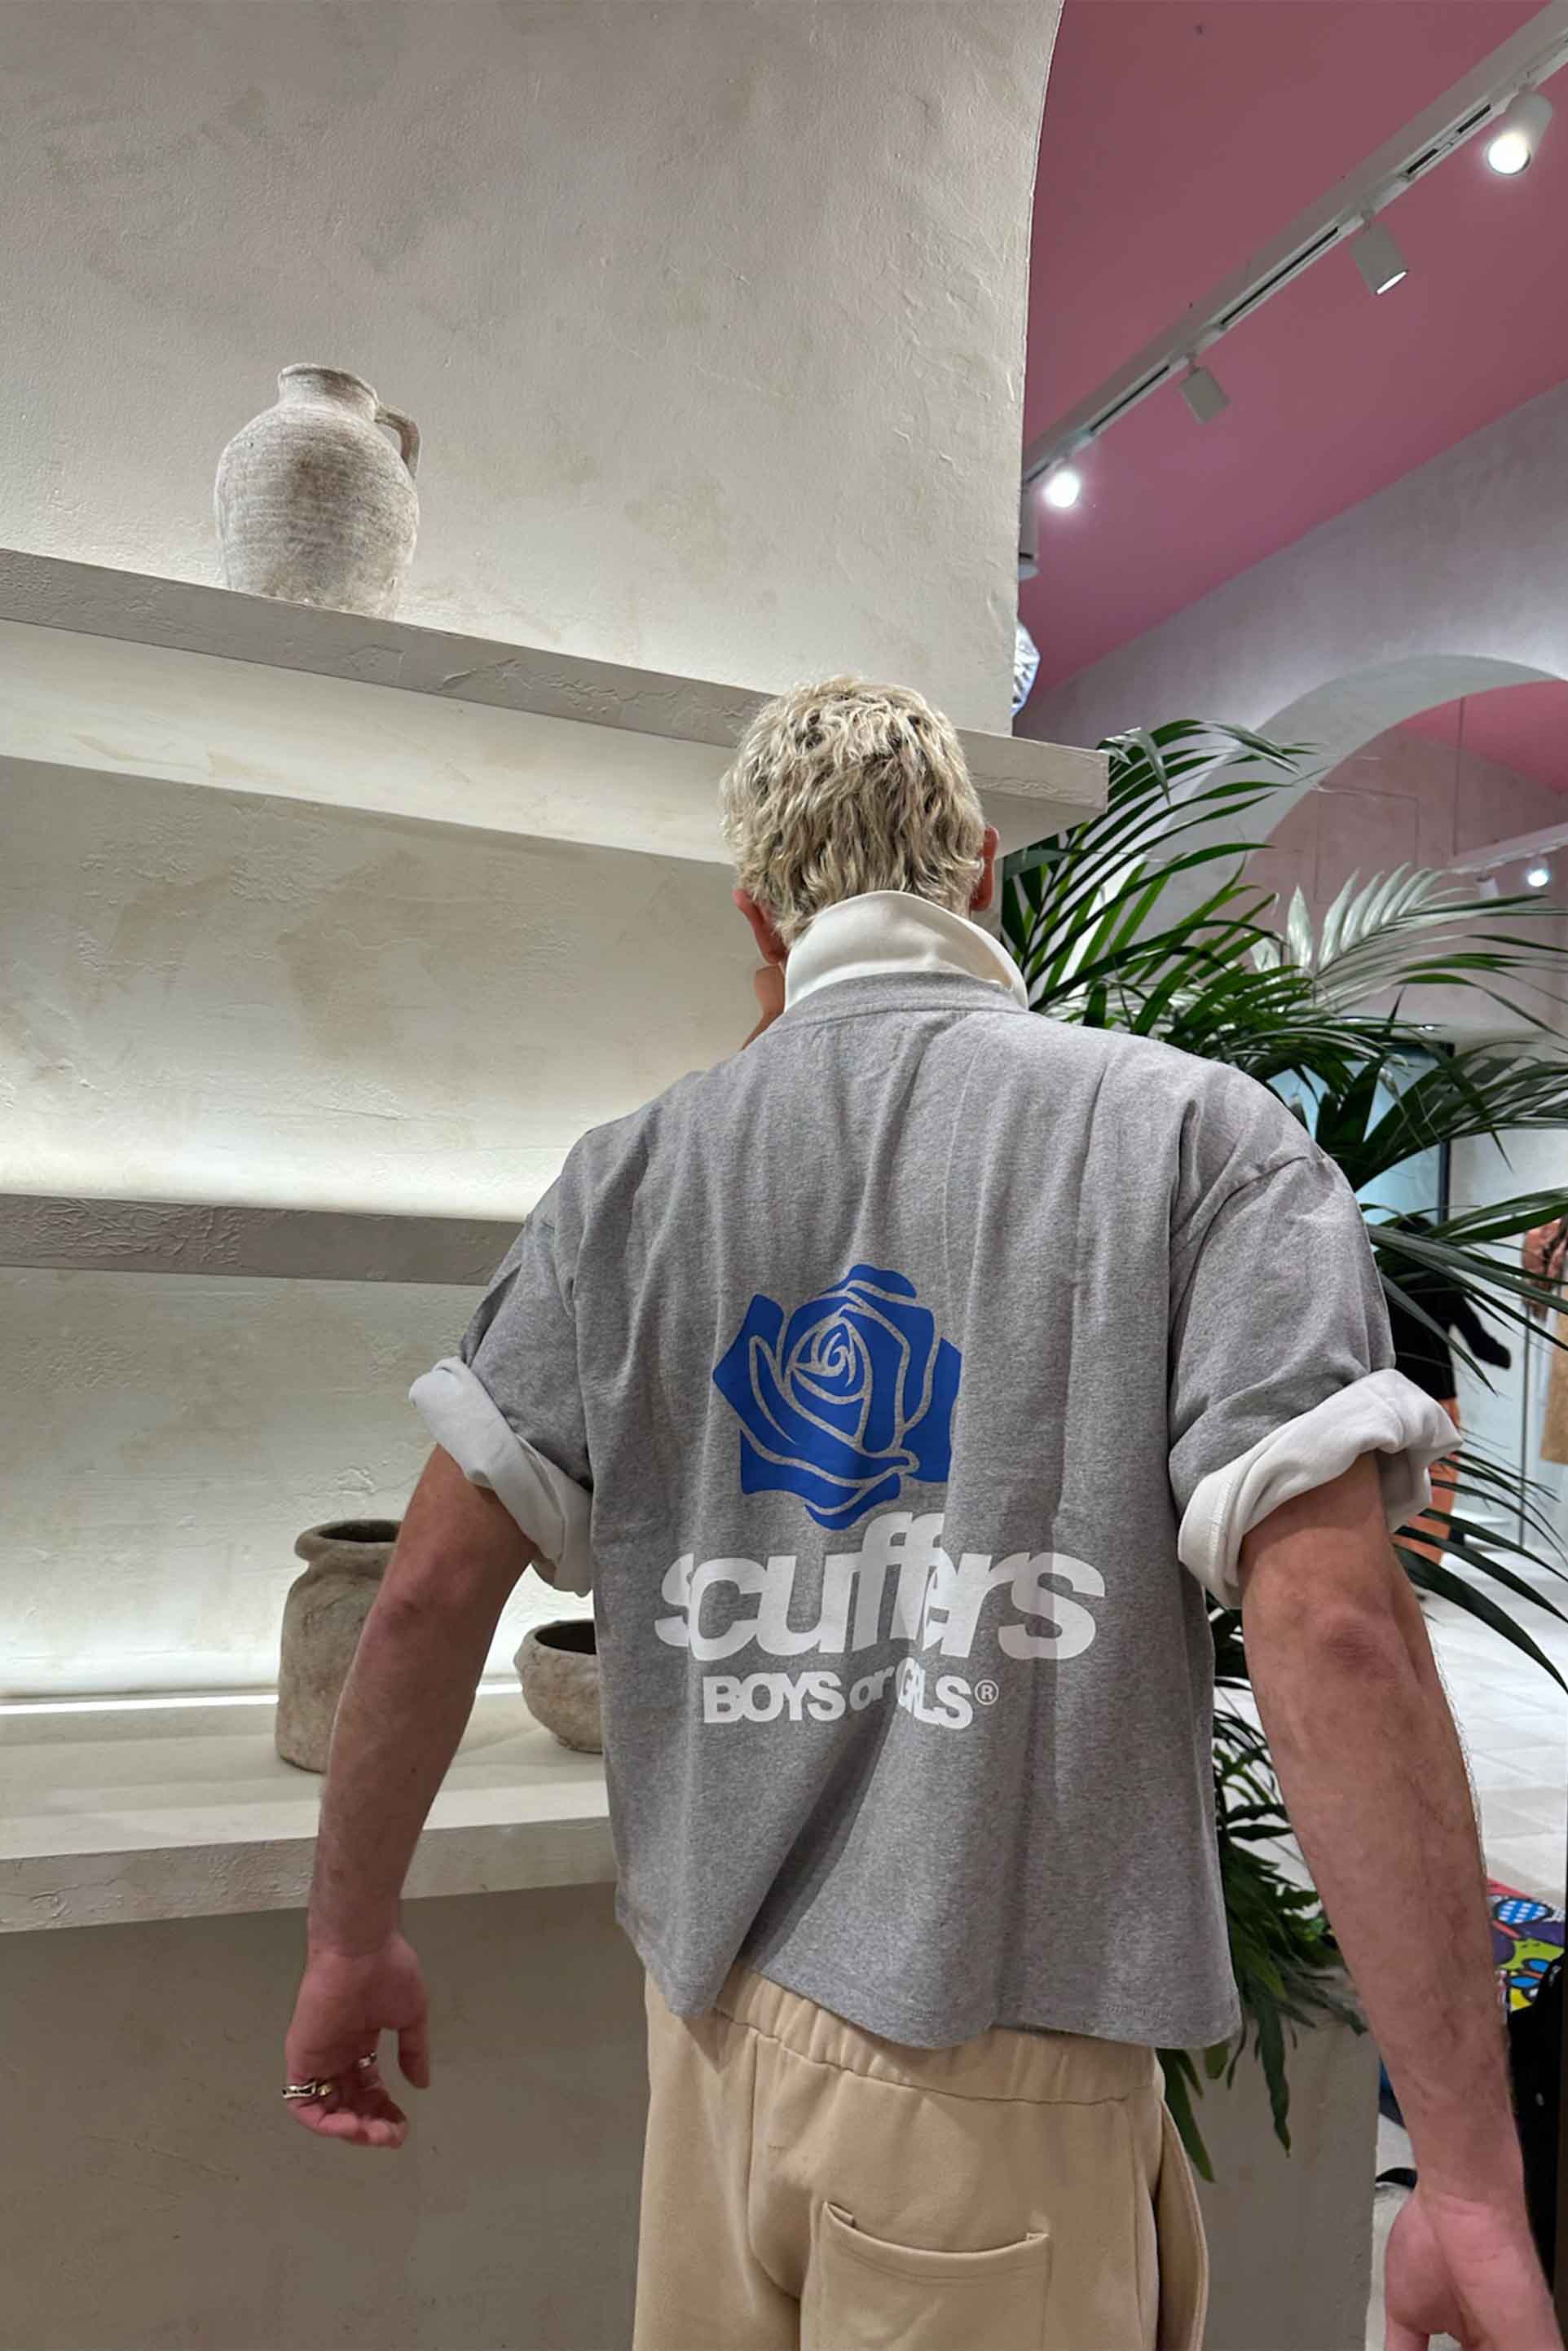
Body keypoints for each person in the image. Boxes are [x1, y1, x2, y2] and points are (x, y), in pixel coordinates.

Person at [283, 678, 1562, 2351]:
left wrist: (348, 1935)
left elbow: (421, 1594)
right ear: (978, 871)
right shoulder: (1191, 1140)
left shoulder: (624, 1180)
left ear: (758, 913)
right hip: (992, 2092)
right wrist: (1464, 2176)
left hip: (707, 2054)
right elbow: (1329, 1621)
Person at [1381, 1211, 1512, 1567]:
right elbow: (1481, 1344)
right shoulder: (1443, 1284)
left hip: (1390, 1399)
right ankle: (1424, 1566)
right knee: (1436, 1487)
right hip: (1437, 1401)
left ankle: (1392, 1562)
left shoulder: (1383, 1285)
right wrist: (1505, 1357)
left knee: (1390, 1484)